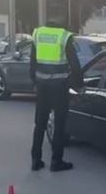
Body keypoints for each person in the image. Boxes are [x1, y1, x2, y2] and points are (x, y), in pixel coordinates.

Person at [29, 19, 82, 172]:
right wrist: (78, 83)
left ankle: (35, 160)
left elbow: (32, 61)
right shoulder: (64, 36)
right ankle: (56, 162)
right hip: (59, 86)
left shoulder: (38, 33)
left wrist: (34, 80)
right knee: (59, 124)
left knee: (40, 123)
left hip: (42, 85)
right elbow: (74, 63)